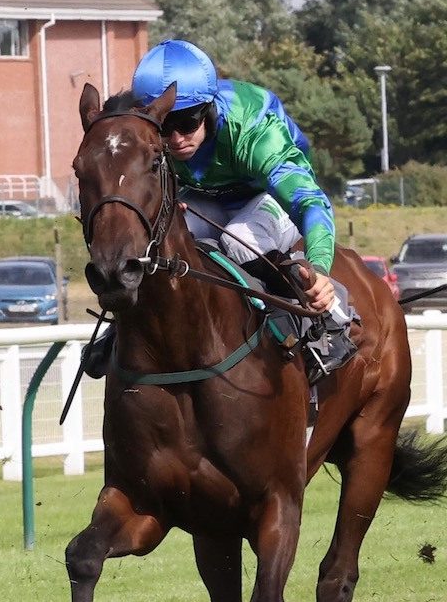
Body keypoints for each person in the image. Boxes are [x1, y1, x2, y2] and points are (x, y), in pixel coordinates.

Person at [84, 39, 355, 381]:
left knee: (240, 240)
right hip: (201, 197)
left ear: (208, 109)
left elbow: (309, 202)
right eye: (167, 126)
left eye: (189, 123)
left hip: (264, 197)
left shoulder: (253, 133)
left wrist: (319, 267)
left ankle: (328, 318)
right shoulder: (149, 136)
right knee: (162, 243)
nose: (178, 138)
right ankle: (121, 331)